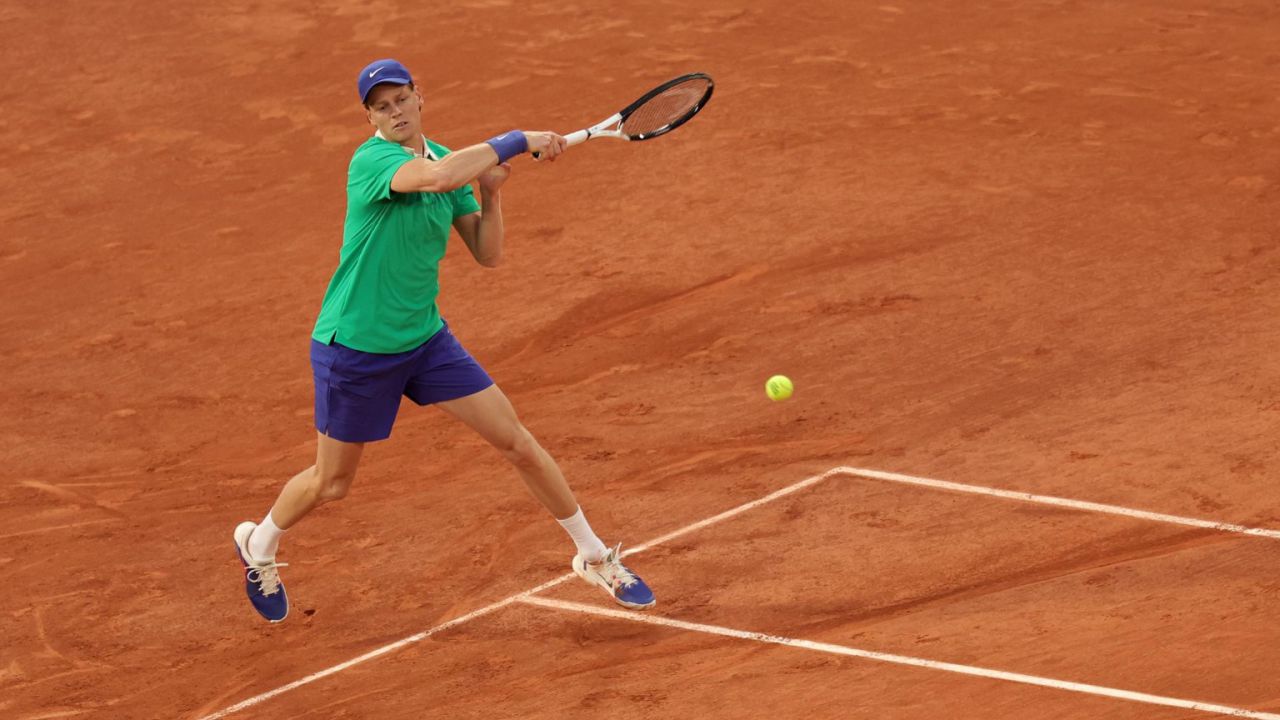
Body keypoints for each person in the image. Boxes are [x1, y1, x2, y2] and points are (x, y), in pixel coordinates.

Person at [231, 58, 655, 623]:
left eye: (401, 99)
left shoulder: (449, 159)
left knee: (517, 442)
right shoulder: (373, 161)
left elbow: (487, 253)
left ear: (419, 97)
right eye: (381, 107)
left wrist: (492, 193)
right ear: (370, 118)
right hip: (356, 347)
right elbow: (436, 179)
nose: (395, 112)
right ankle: (259, 543)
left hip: (426, 341)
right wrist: (518, 139)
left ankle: (593, 555)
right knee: (331, 483)